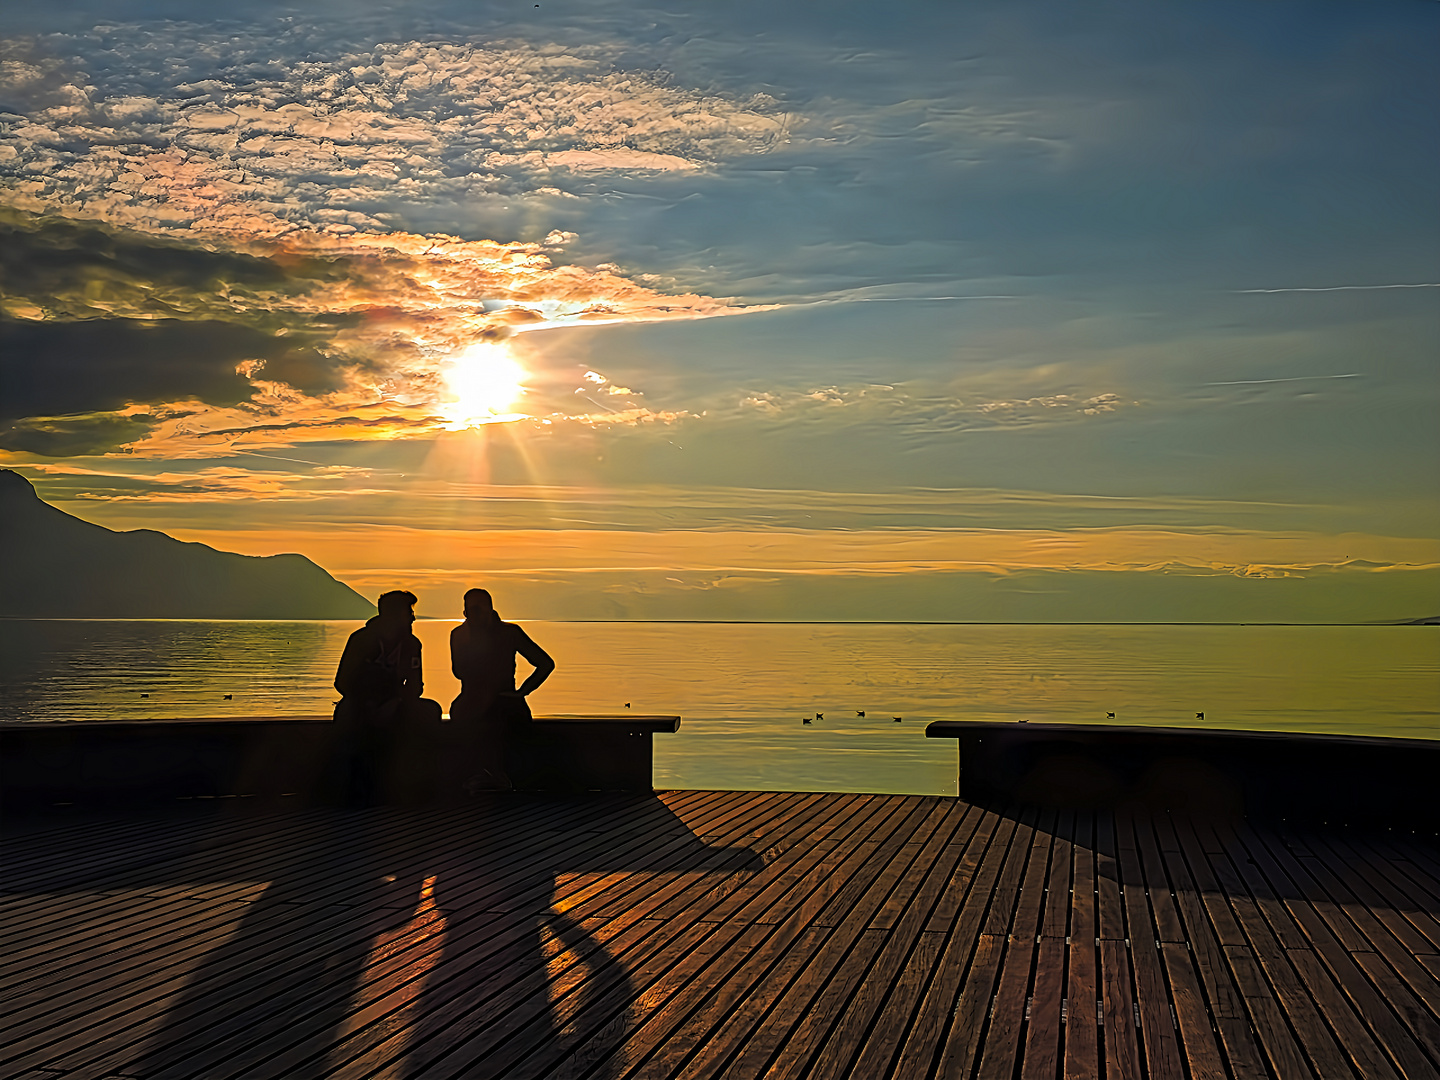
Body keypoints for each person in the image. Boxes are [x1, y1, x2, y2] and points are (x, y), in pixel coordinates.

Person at [333, 590, 442, 803]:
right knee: (348, 715)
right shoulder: (360, 640)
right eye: (408, 612)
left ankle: (422, 787)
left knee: (430, 710)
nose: (413, 617)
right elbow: (342, 682)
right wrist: (369, 703)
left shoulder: (412, 644)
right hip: (361, 703)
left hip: (396, 704)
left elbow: (415, 686)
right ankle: (349, 787)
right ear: (392, 615)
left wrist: (396, 702)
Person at [449, 588, 555, 790]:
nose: (474, 613)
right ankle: (476, 775)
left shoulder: (510, 633)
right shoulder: (459, 635)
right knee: (463, 716)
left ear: (490, 609)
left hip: (505, 699)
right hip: (471, 699)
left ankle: (499, 776)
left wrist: (523, 691)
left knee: (502, 721)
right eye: (470, 609)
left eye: (479, 608)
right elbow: (458, 671)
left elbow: (545, 663)